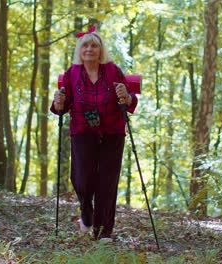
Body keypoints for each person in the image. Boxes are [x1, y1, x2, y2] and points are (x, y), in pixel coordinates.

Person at [50, 25, 138, 240]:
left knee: (106, 182)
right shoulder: (72, 73)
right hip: (82, 130)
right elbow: (63, 106)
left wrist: (126, 96)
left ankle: (103, 233)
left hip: (112, 131)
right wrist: (58, 102)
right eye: (85, 46)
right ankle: (86, 211)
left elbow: (130, 101)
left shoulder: (113, 71)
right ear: (80, 51)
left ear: (101, 50)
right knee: (81, 179)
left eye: (94, 46)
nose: (90, 49)